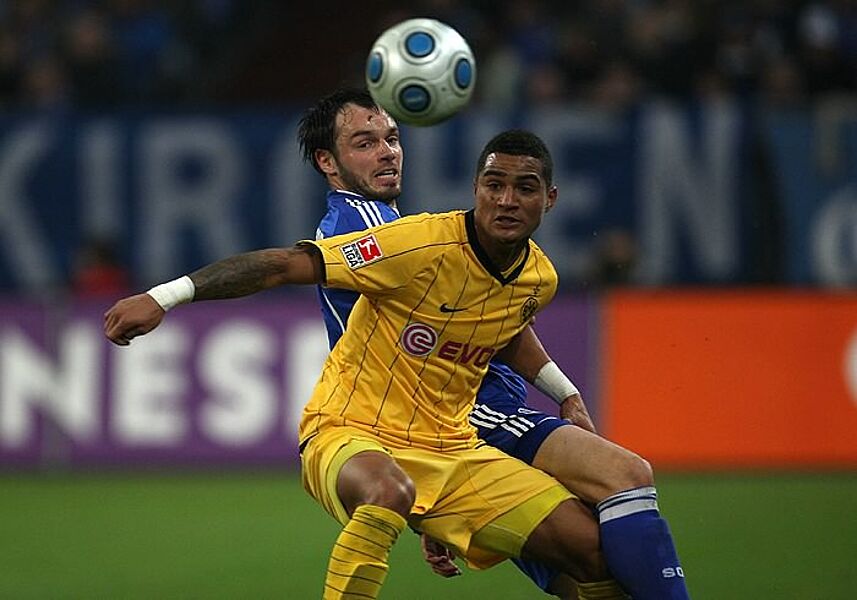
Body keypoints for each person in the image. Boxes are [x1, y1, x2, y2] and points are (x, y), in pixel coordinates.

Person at [104, 128, 631, 600]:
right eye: (495, 185)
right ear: (475, 189)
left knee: (590, 550)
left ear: (549, 199)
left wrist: (564, 390)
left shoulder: (537, 277)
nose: (507, 200)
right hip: (349, 430)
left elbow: (502, 330)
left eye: (392, 138)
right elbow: (283, 266)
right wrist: (164, 296)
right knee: (388, 490)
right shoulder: (404, 241)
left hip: (452, 449)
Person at [296, 88, 690, 599]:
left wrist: (563, 391)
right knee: (622, 480)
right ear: (328, 162)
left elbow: (489, 320)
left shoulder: (396, 230)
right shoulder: (368, 226)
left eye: (392, 139)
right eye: (365, 143)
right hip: (469, 416)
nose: (387, 153)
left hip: (446, 431)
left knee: (584, 562)